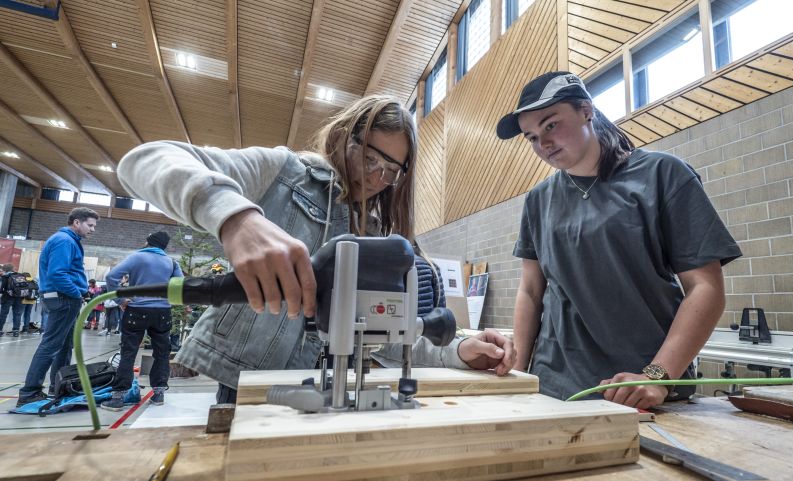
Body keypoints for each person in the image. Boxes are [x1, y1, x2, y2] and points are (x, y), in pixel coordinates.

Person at [118, 95, 515, 404]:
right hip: (248, 390)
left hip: (329, 391)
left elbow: (385, 332)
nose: (377, 177)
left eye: (391, 171)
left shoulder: (375, 233)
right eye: (371, 157)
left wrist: (459, 350)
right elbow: (144, 160)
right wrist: (236, 219)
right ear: (345, 134)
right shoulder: (282, 172)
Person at [496, 72, 742, 409]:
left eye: (550, 125)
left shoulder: (662, 175)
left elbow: (705, 288)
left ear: (587, 111)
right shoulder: (539, 200)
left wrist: (657, 375)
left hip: (643, 388)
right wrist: (519, 375)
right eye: (532, 137)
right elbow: (530, 291)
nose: (543, 144)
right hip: (555, 386)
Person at [17, 207, 99, 406]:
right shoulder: (64, 241)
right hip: (63, 298)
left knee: (64, 345)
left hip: (64, 298)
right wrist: (77, 292)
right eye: (90, 225)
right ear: (76, 222)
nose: (93, 229)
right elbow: (57, 274)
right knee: (52, 345)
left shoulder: (68, 240)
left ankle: (58, 386)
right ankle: (30, 392)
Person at [101, 231, 184, 410]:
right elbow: (180, 285)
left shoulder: (137, 257)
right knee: (161, 353)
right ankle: (159, 394)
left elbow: (111, 277)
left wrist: (120, 300)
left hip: (137, 310)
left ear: (148, 242)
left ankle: (118, 398)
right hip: (162, 312)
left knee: (128, 353)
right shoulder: (171, 262)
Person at [0, 264, 24, 337]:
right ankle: (16, 331)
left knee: (3, 314)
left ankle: (0, 330)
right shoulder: (20, 276)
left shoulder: (5, 277)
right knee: (17, 314)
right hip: (19, 297)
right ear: (12, 269)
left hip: (7, 297)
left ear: (5, 269)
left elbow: (1, 289)